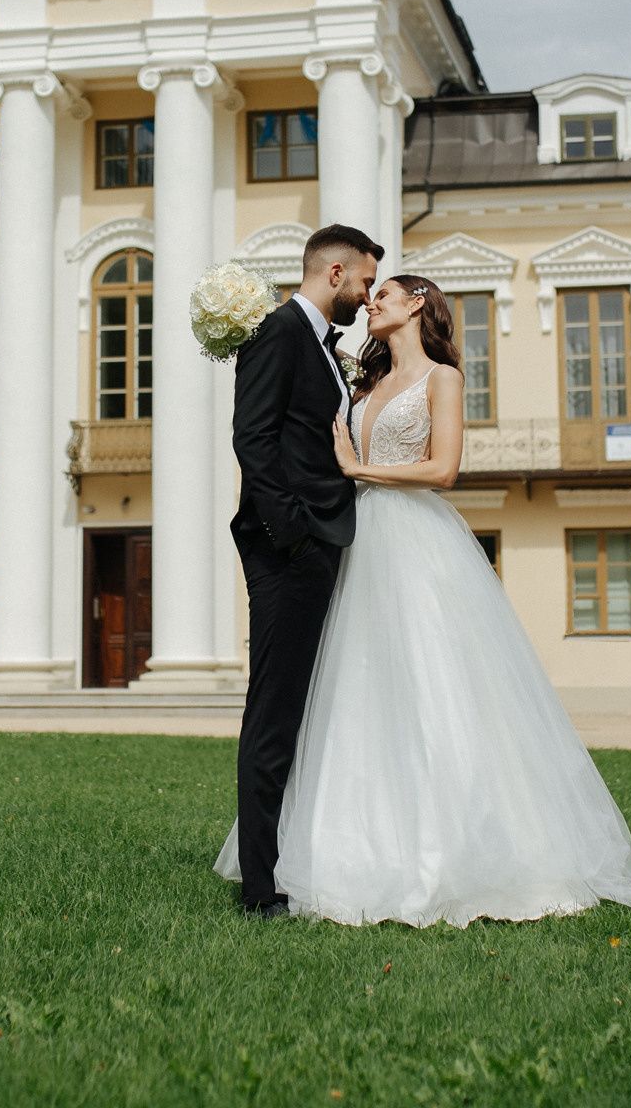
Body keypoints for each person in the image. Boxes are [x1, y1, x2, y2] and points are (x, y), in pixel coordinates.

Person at [218, 273, 631, 927]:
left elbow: (444, 468)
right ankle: (341, 845)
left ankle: (457, 846)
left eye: (385, 294)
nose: (372, 303)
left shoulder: (444, 379)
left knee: (435, 680)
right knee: (354, 688)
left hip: (416, 540)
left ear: (418, 304)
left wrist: (358, 470)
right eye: (369, 294)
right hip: (358, 537)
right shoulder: (359, 383)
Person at [223, 223, 380, 917]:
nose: (369, 295)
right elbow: (251, 438)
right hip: (290, 550)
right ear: (337, 272)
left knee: (301, 709)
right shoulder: (279, 332)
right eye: (368, 282)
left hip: (316, 545)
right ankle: (261, 888)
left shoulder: (324, 347)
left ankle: (290, 859)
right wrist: (293, 537)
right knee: (275, 713)